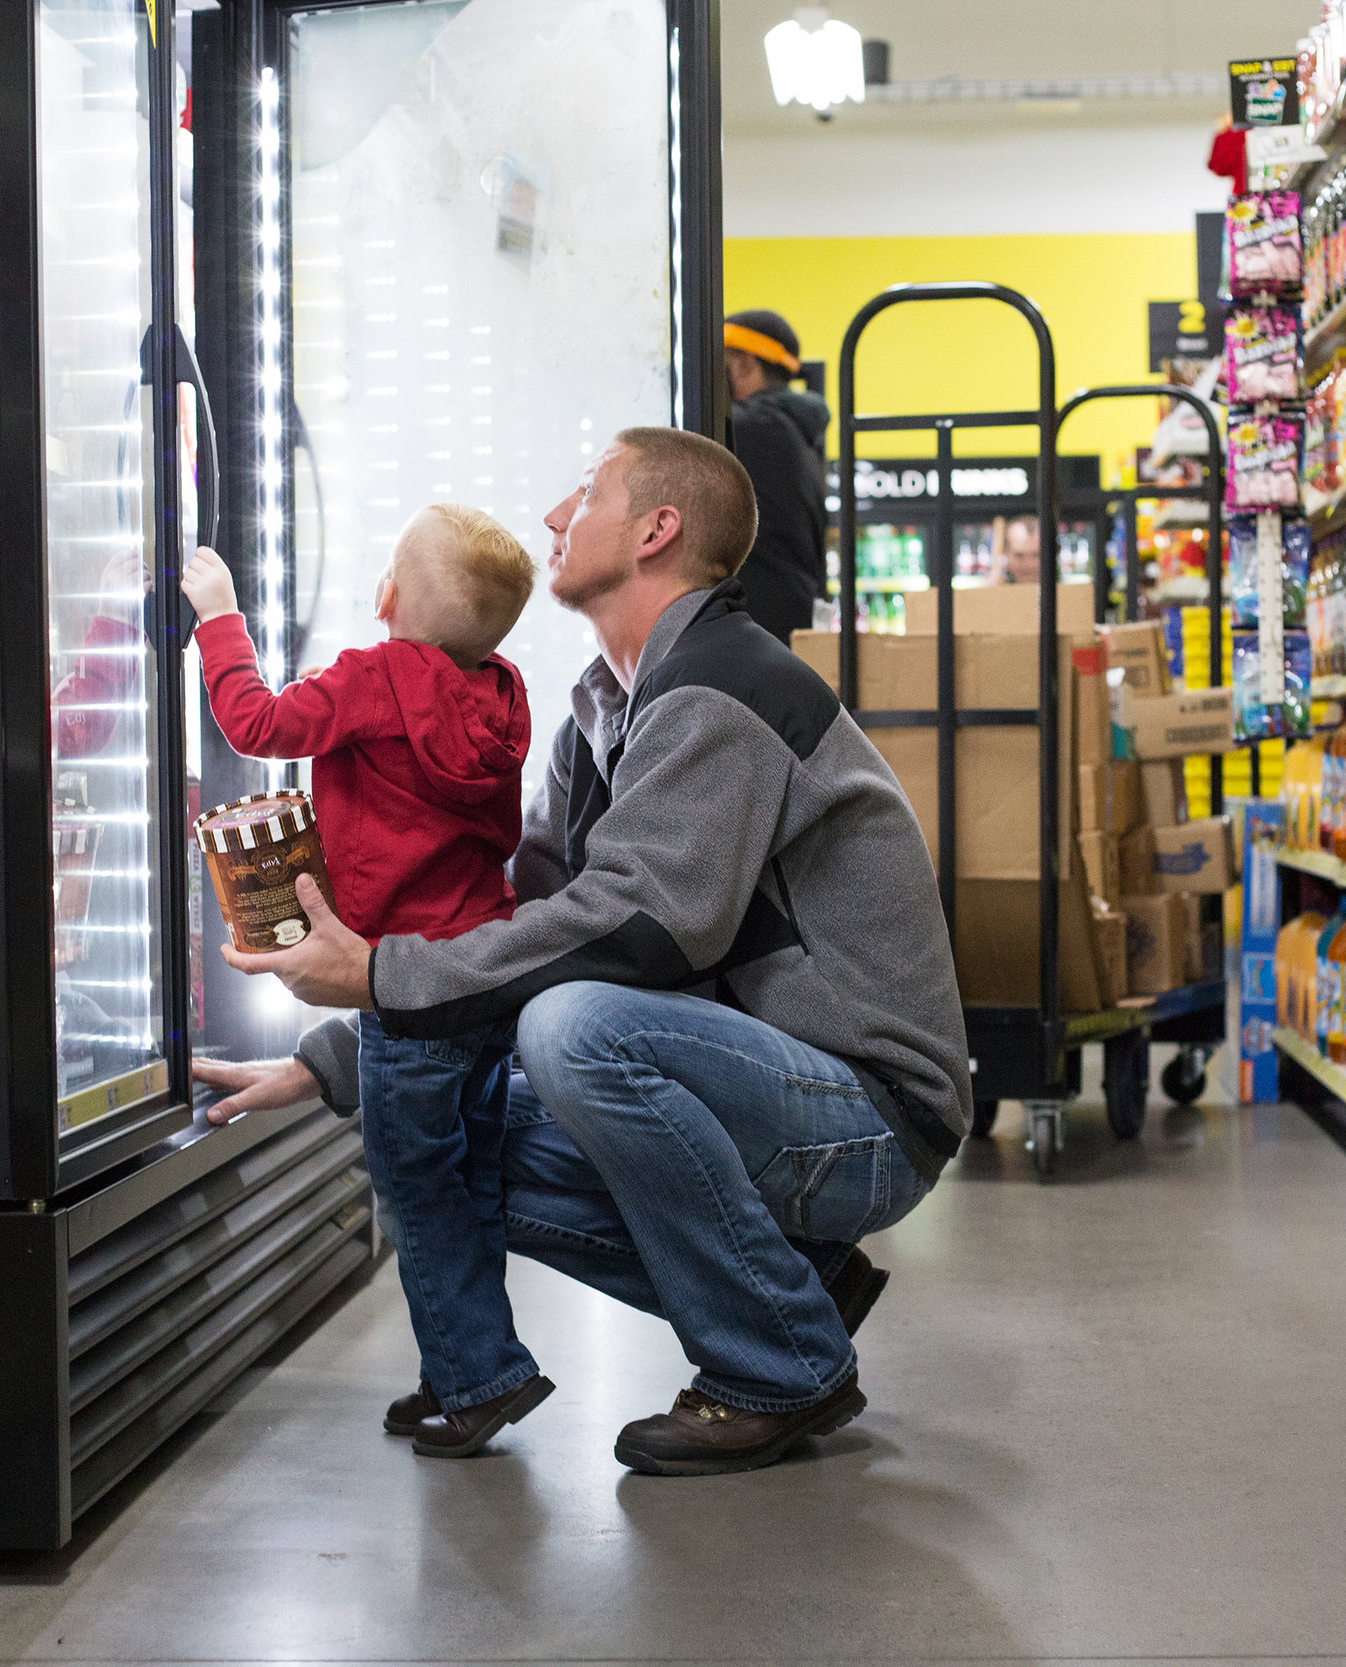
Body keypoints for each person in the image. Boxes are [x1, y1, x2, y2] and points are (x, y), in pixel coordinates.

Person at [192, 428, 971, 1476]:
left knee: (577, 1025)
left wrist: (380, 973)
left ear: (655, 530)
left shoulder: (721, 688)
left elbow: (634, 928)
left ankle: (777, 1365)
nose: (555, 516)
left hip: (870, 1114)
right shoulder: (604, 712)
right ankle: (798, 1287)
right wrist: (337, 1057)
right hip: (767, 1083)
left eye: (585, 492)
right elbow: (524, 922)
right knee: (427, 1118)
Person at [181, 504, 546, 1461]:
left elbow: (253, 721)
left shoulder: (373, 677)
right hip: (476, 979)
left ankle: (478, 1377)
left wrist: (219, 615)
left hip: (394, 985)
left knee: (414, 1187)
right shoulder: (503, 695)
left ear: (388, 595)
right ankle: (459, 1362)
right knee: (466, 1178)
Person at [722, 309, 830, 641]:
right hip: (779, 628)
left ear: (744, 364)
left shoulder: (751, 427)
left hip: (753, 631)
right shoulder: (793, 432)